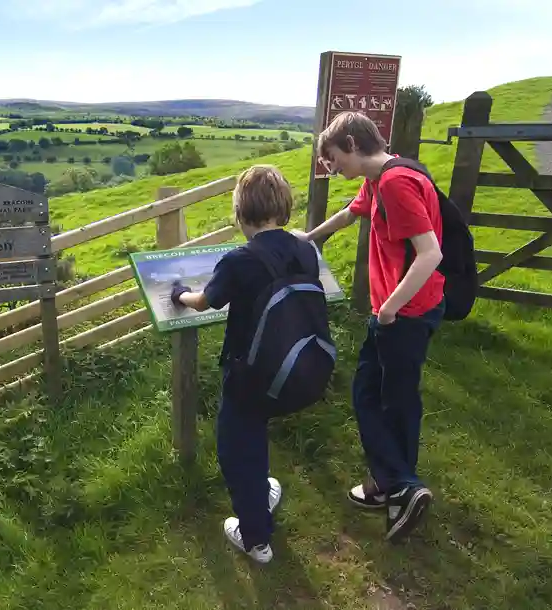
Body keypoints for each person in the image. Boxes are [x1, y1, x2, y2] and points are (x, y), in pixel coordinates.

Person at [296, 111, 445, 542]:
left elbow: (429, 252)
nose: (332, 166)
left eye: (333, 158)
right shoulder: (382, 175)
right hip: (408, 309)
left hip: (405, 313)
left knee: (373, 397)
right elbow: (350, 213)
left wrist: (390, 308)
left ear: (353, 145)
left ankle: (403, 486)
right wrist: (310, 238)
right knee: (390, 396)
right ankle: (390, 482)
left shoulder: (396, 184)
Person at [170, 164, 322, 563]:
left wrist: (179, 293)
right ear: (284, 207)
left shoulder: (240, 260)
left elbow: (205, 301)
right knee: (256, 433)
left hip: (249, 375)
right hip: (298, 367)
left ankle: (255, 538)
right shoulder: (305, 248)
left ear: (241, 212)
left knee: (236, 447)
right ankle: (262, 493)